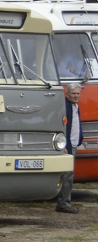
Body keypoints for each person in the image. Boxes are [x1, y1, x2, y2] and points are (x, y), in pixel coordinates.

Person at [57, 83, 80, 214]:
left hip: (74, 144)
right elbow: (62, 126)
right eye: (73, 93)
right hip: (67, 146)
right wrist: (64, 145)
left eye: (78, 94)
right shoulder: (65, 107)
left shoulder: (76, 106)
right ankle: (63, 204)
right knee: (67, 175)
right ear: (67, 93)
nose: (76, 96)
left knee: (69, 175)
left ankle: (65, 202)